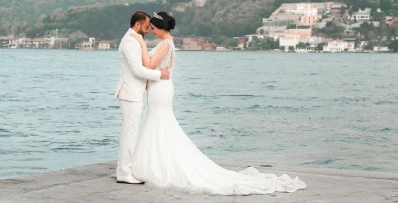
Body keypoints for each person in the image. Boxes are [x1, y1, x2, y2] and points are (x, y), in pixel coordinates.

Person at [129, 11, 307, 195]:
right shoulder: (166, 43)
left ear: (160, 27)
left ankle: (157, 165)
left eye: (152, 28)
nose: (151, 30)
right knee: (160, 125)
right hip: (161, 88)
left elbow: (149, 65)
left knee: (160, 124)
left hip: (161, 89)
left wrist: (141, 44)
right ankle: (158, 162)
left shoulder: (165, 44)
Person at [114, 11, 170, 184]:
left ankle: (123, 169)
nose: (147, 30)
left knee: (129, 133)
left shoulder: (134, 40)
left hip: (133, 93)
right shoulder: (130, 42)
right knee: (129, 134)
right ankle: (124, 172)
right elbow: (138, 70)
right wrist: (159, 74)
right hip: (130, 94)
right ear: (137, 25)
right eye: (146, 27)